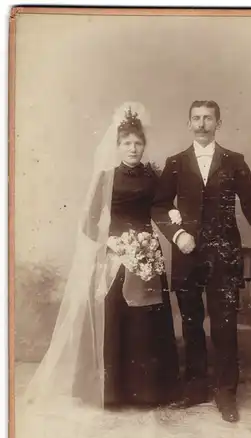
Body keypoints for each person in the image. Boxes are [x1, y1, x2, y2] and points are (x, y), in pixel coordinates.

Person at [23, 103, 179, 410]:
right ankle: (112, 393)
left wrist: (150, 241)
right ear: (117, 146)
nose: (133, 148)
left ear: (144, 146)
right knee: (115, 316)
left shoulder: (154, 176)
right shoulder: (107, 177)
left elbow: (160, 210)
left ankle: (149, 392)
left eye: (138, 143)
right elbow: (88, 221)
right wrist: (112, 242)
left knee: (146, 319)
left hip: (147, 253)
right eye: (127, 143)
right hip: (114, 256)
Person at [152, 100, 251, 422]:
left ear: (218, 124)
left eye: (209, 118)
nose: (202, 123)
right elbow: (158, 206)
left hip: (224, 256)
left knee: (224, 326)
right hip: (187, 254)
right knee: (192, 323)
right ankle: (195, 389)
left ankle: (226, 394)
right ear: (189, 123)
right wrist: (178, 235)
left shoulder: (234, 161)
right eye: (196, 118)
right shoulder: (176, 163)